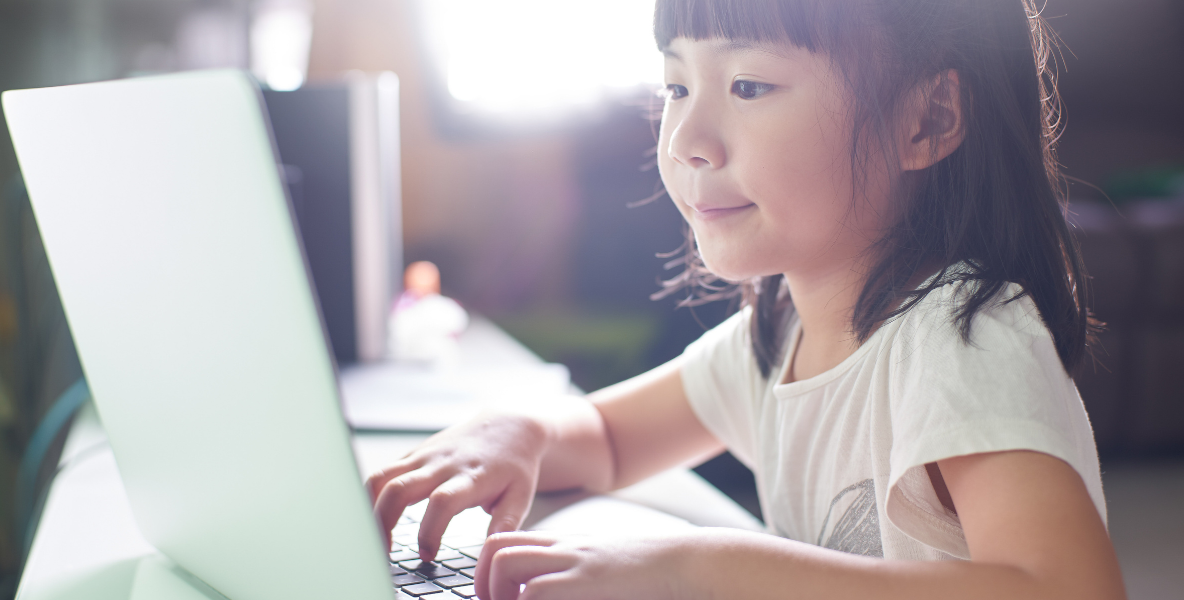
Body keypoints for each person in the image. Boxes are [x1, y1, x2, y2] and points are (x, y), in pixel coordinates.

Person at [367, 0, 1127, 598]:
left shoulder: (961, 339)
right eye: (675, 86)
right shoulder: (780, 334)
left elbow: (1065, 589)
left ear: (926, 119)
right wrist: (520, 431)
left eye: (749, 85)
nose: (686, 138)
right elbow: (608, 437)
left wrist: (699, 572)